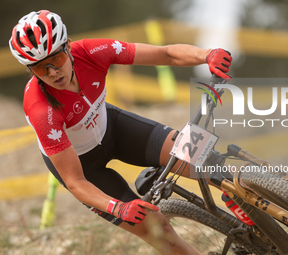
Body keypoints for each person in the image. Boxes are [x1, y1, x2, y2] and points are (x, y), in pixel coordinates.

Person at [9, 10, 232, 255]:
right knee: (161, 234)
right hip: (84, 167)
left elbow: (166, 53)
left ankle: (258, 213)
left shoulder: (91, 52)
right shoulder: (41, 109)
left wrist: (206, 55)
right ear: (31, 71)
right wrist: (117, 208)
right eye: (41, 67)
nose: (53, 72)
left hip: (113, 129)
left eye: (57, 59)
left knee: (206, 160)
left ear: (68, 46)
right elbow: (75, 182)